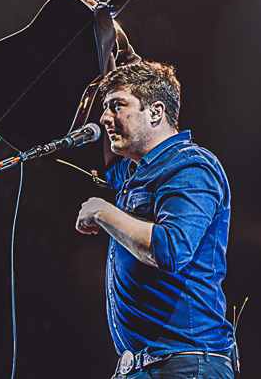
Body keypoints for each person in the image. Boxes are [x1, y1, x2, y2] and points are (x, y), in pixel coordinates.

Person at [76, 61, 238, 379]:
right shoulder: (134, 172)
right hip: (146, 368)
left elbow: (170, 249)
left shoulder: (190, 166)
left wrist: (103, 211)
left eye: (116, 106)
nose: (105, 117)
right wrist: (109, 45)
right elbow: (109, 156)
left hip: (185, 365)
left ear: (155, 112)